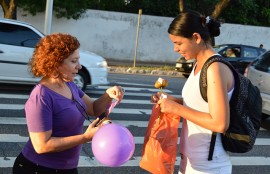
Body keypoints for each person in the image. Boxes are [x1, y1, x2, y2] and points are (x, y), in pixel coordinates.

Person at [13, 33, 124, 174]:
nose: (79, 66)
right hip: (37, 168)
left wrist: (108, 95)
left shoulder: (70, 85)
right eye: (73, 61)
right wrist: (85, 137)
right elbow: (41, 145)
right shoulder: (41, 96)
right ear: (55, 64)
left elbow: (94, 109)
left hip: (68, 168)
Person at [151, 11, 233, 174]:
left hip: (209, 167)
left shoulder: (215, 68)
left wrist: (176, 109)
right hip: (191, 163)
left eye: (178, 43)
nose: (175, 49)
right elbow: (201, 103)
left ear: (196, 37)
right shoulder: (199, 65)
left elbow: (220, 123)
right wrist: (171, 101)